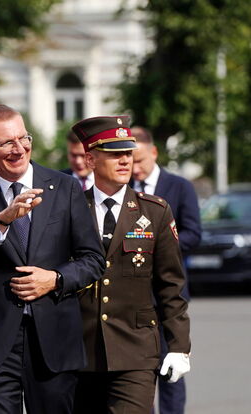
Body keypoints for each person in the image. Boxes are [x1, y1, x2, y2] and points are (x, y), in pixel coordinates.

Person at [0, 104, 105, 413]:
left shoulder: (64, 187)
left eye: (23, 138)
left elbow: (92, 259)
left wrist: (56, 279)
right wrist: (1, 222)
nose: (19, 148)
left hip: (53, 337)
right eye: (6, 142)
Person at [70, 115, 191, 414]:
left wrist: (178, 346)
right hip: (78, 348)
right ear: (90, 159)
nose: (125, 160)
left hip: (135, 348)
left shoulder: (155, 211)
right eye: (114, 154)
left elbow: (171, 285)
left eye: (127, 152)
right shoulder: (69, 208)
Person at [130, 126, 201, 414]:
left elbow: (194, 233)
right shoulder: (125, 190)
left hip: (168, 293)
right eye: (130, 161)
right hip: (133, 295)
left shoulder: (179, 186)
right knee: (137, 373)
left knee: (170, 366)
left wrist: (157, 246)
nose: (135, 168)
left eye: (140, 161)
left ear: (154, 153)